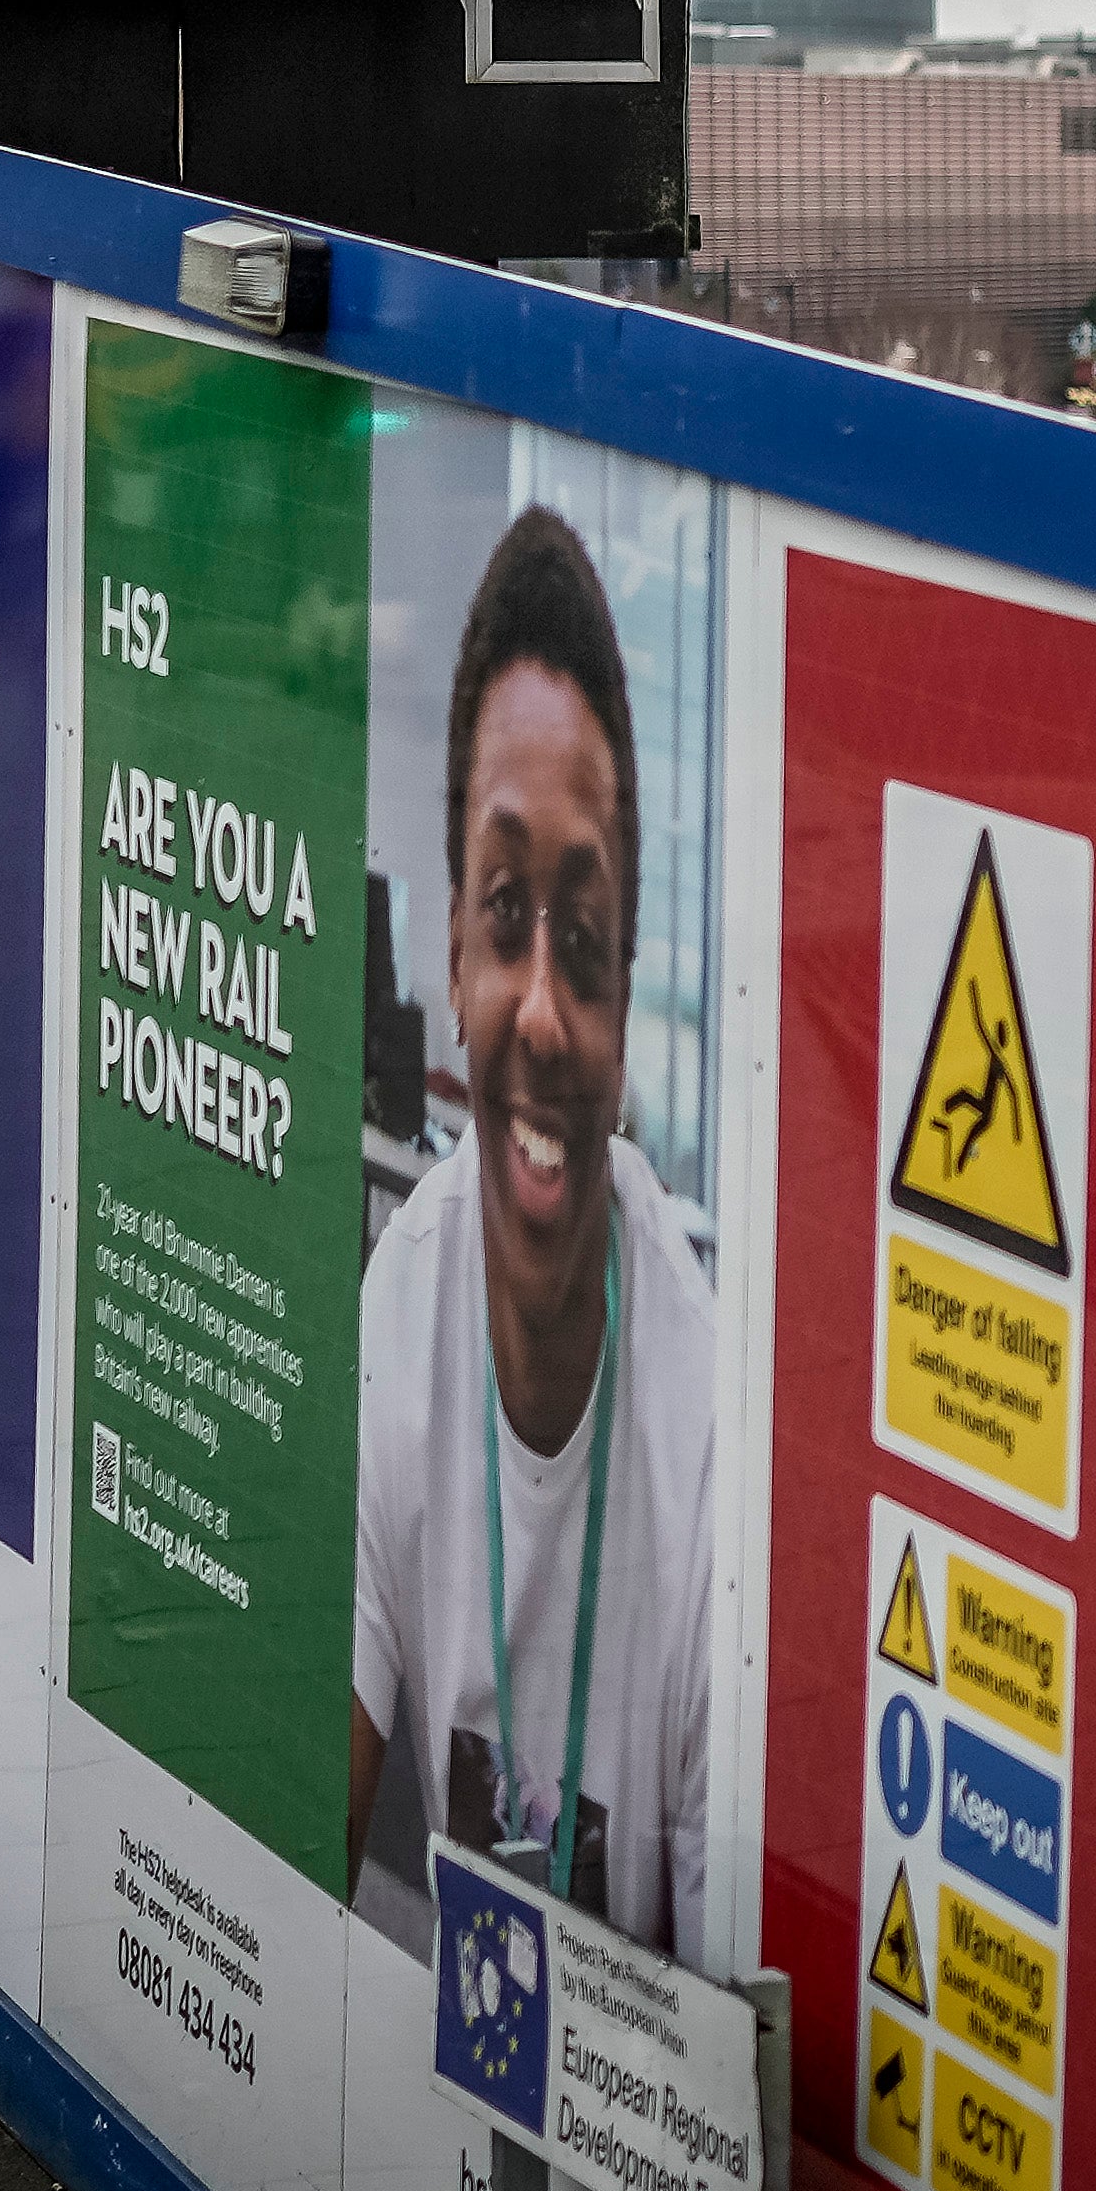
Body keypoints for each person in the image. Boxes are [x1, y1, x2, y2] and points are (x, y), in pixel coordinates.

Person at [347, 504, 721, 1962]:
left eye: (588, 937)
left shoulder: (704, 1446)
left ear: (629, 996)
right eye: (509, 915)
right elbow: (279, 1850)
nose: (547, 1012)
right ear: (453, 947)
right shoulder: (403, 1300)